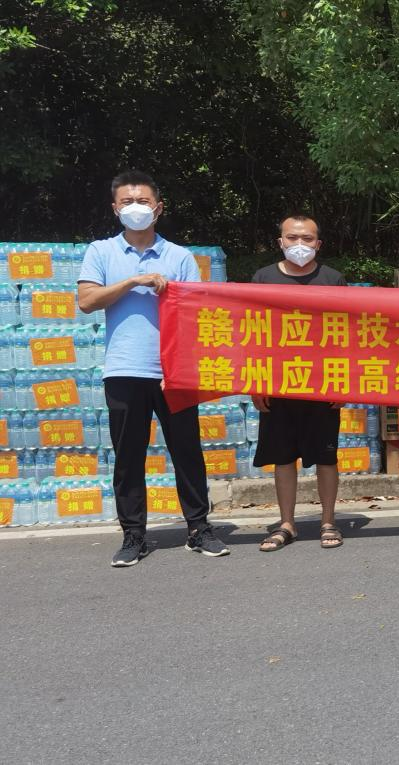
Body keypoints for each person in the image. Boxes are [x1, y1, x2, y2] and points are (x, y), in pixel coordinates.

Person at [77, 170, 229, 566]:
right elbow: (87, 301)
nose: (135, 208)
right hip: (124, 369)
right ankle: (134, 535)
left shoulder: (179, 257)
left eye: (143, 201)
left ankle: (199, 528)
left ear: (158, 208)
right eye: (127, 202)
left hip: (172, 373)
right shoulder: (101, 252)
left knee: (187, 452)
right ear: (115, 208)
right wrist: (133, 282)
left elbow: (196, 317)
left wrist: (183, 368)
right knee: (129, 456)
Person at [251, 216, 349, 550]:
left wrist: (342, 382)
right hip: (278, 384)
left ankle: (328, 522)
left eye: (307, 238)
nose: (299, 244)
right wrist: (256, 382)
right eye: (292, 238)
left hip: (323, 382)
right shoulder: (263, 279)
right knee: (283, 457)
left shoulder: (333, 279)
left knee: (326, 457)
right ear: (280, 241)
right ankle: (286, 524)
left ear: (318, 244)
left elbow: (346, 335)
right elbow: (254, 333)